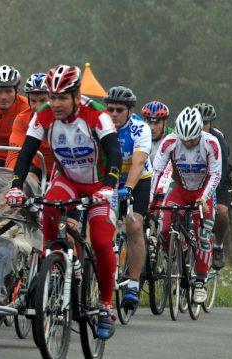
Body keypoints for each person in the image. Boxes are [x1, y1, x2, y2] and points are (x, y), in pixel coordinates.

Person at [5, 64, 122, 340]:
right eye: (51, 97)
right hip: (67, 180)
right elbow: (25, 154)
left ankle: (106, 305)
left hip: (98, 185)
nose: (55, 104)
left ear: (76, 96)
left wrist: (108, 187)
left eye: (61, 98)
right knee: (48, 207)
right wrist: (15, 187)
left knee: (103, 242)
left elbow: (114, 155)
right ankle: (53, 266)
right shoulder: (43, 116)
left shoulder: (97, 115)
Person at [150, 107, 221, 304]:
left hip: (202, 193)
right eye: (184, 139)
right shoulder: (171, 141)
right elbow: (156, 171)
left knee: (203, 235)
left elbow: (216, 174)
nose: (188, 144)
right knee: (163, 227)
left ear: (200, 132)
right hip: (180, 190)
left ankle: (200, 282)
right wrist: (151, 200)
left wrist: (204, 197)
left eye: (192, 140)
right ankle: (178, 249)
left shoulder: (211, 143)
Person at [104, 86, 152, 309]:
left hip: (138, 179)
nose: (113, 114)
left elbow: (139, 162)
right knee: (104, 224)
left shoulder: (140, 128)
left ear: (130, 111)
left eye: (119, 110)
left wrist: (129, 188)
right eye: (110, 108)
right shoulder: (101, 125)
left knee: (134, 225)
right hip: (111, 178)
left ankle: (133, 283)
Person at [194, 103, 232, 269]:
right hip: (198, 180)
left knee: (221, 211)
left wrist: (212, 193)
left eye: (205, 123)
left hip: (221, 180)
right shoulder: (188, 135)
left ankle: (218, 246)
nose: (202, 127)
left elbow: (222, 169)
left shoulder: (218, 139)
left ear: (211, 124)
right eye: (199, 122)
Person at [6, 72, 55, 179]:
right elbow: (15, 152)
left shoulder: (62, 116)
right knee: (25, 183)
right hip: (38, 169)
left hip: (62, 169)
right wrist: (12, 177)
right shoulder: (22, 119)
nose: (38, 107)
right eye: (33, 101)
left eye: (43, 101)